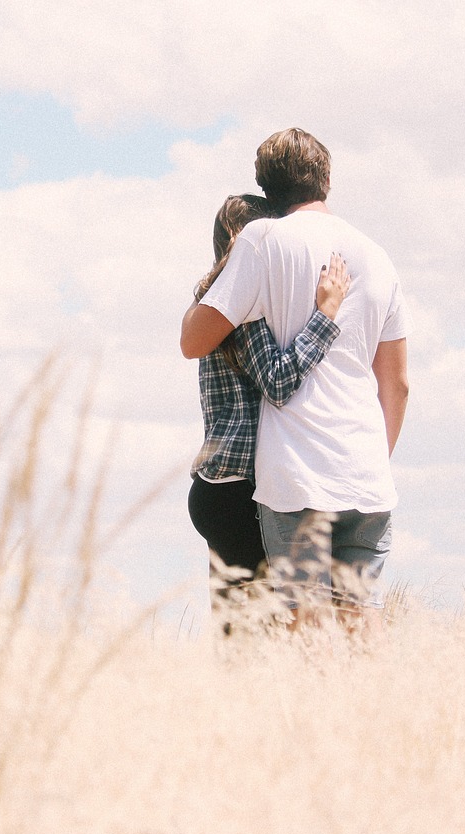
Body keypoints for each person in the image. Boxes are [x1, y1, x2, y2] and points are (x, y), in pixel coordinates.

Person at [180, 129, 410, 637]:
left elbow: (198, 342)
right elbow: (398, 385)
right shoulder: (377, 255)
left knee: (285, 628)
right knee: (360, 616)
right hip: (359, 473)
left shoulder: (260, 252)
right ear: (327, 177)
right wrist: (373, 456)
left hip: (284, 478)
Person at [186, 193, 351, 632]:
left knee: (238, 636)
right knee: (265, 637)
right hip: (242, 492)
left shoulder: (212, 303)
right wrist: (325, 316)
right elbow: (278, 382)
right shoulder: (244, 308)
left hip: (217, 487)